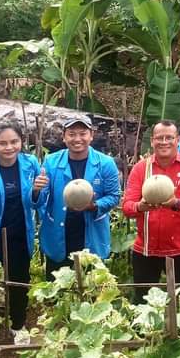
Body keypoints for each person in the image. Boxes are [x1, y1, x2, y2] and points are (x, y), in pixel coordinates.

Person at [122, 120, 180, 303]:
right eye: (159, 138)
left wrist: (176, 203)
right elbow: (127, 207)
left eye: (169, 137)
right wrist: (140, 207)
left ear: (178, 140)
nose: (164, 142)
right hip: (146, 250)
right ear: (152, 141)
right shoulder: (141, 168)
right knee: (143, 304)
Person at [36, 116, 120, 279]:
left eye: (82, 133)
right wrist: (36, 190)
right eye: (72, 134)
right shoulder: (51, 162)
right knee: (58, 289)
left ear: (91, 135)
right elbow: (41, 200)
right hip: (59, 234)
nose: (77, 139)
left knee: (91, 292)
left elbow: (114, 196)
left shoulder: (106, 163)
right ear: (64, 137)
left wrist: (94, 205)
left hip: (91, 235)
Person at [0, 125, 43, 342]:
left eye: (14, 142)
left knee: (19, 281)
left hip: (19, 233)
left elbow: (35, 201)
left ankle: (18, 325)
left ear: (22, 142)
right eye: (2, 143)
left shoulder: (30, 164)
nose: (9, 147)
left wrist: (37, 190)